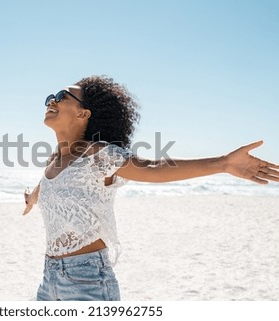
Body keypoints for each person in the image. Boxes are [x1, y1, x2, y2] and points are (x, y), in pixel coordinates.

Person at [22, 75, 279, 301]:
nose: (51, 101)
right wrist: (31, 198)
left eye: (60, 96)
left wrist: (222, 163)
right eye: (49, 98)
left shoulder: (99, 154)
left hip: (86, 281)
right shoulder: (56, 158)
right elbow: (48, 187)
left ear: (84, 113)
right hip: (48, 280)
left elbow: (152, 168)